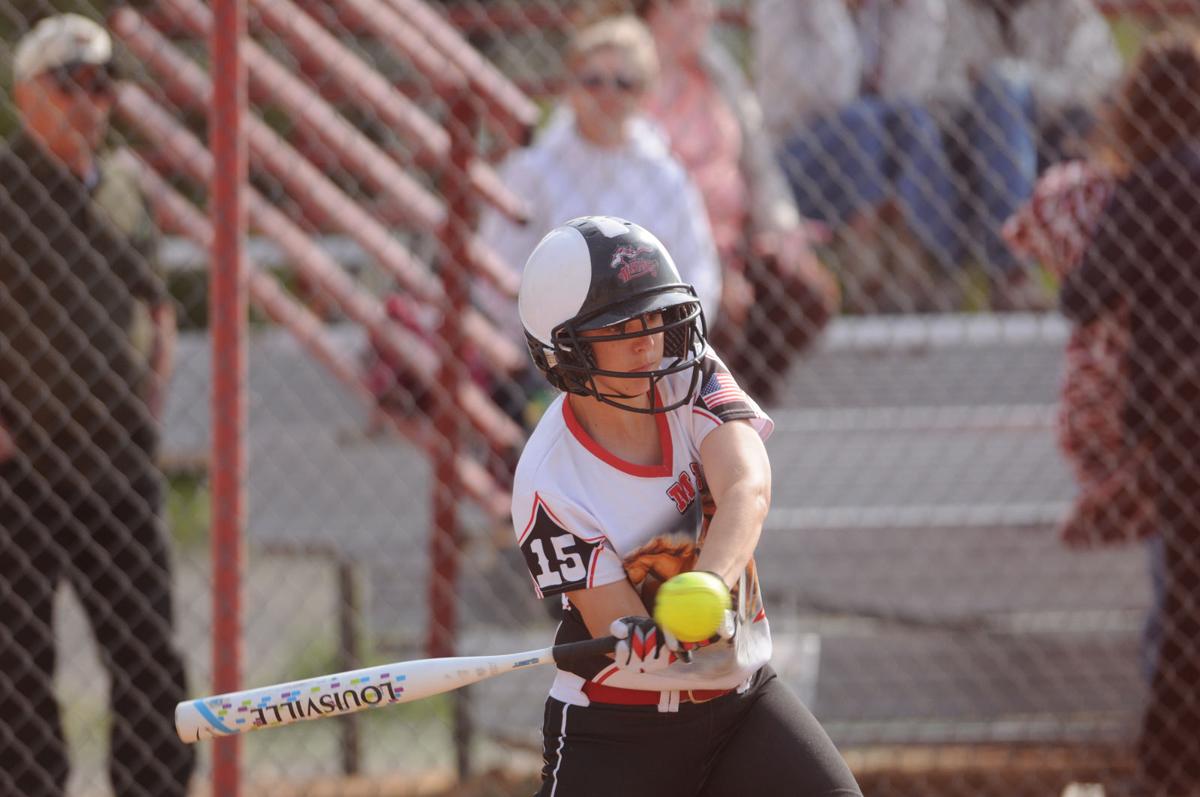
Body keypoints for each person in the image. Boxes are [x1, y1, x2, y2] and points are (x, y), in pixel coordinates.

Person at [511, 216, 862, 796]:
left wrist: (709, 585)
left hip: (744, 702)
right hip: (619, 730)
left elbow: (747, 486)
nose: (649, 340)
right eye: (622, 327)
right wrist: (646, 635)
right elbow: (623, 634)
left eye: (653, 318)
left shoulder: (687, 377)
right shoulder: (548, 481)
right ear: (564, 349)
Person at [0, 15, 195, 797]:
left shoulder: (122, 184)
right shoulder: (8, 186)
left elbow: (157, 303)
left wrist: (151, 383)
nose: (90, 101)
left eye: (102, 84)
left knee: (147, 647)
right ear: (24, 94)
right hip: (24, 463)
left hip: (117, 456)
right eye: (69, 84)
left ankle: (155, 787)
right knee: (16, 655)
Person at [1058, 32, 1200, 796]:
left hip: (1183, 409)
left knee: (1185, 596)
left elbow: (1081, 294)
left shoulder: (1148, 188)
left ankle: (1172, 764)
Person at [635, 0, 839, 404]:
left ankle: (748, 407)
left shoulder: (716, 72)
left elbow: (759, 165)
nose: (706, 14)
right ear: (653, 11)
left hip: (738, 241)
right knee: (722, 310)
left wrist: (779, 229)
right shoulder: (630, 81)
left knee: (808, 291)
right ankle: (705, 417)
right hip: (673, 250)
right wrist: (714, 263)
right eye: (687, 6)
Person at [477, 15, 720, 350]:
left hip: (649, 346)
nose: (608, 94)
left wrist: (671, 340)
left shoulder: (666, 175)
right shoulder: (532, 170)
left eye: (624, 83)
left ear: (644, 93)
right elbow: (499, 271)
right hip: (555, 347)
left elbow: (699, 271)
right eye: (593, 80)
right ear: (570, 86)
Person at [753, 0, 959, 312]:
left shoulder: (879, 10)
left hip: (875, 151)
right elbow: (835, 92)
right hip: (794, 162)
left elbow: (906, 92)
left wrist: (914, 10)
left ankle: (916, 269)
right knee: (862, 123)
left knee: (913, 121)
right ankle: (866, 273)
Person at [937, 0, 1122, 309]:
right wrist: (994, 98)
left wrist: (1020, 86)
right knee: (999, 94)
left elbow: (1097, 78)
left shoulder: (1067, 9)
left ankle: (1015, 269)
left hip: (1054, 138)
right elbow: (936, 91)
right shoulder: (953, 10)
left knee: (1004, 87)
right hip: (971, 147)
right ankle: (1012, 270)